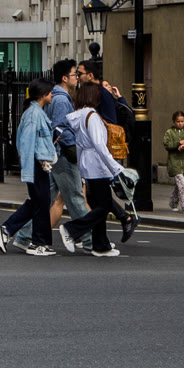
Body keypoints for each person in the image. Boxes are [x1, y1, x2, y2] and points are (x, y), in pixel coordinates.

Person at [12, 60, 85, 253]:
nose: (77, 78)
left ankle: (24, 236)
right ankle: (90, 239)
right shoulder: (57, 102)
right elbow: (57, 129)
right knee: (74, 197)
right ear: (64, 78)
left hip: (49, 159)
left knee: (45, 200)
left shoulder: (52, 101)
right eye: (74, 74)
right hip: (57, 156)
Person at [0, 77, 58, 256]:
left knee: (38, 202)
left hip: (41, 164)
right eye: (50, 92)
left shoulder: (36, 112)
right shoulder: (33, 114)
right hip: (37, 165)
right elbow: (26, 143)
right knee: (42, 203)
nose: (52, 95)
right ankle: (37, 243)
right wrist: (29, 170)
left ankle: (8, 230)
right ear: (43, 94)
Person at [63, 86, 125, 258]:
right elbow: (99, 145)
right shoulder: (93, 116)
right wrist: (115, 168)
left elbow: (79, 144)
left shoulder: (81, 115)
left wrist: (81, 169)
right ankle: (71, 229)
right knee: (104, 206)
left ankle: (100, 245)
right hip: (98, 166)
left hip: (87, 165)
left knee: (98, 206)